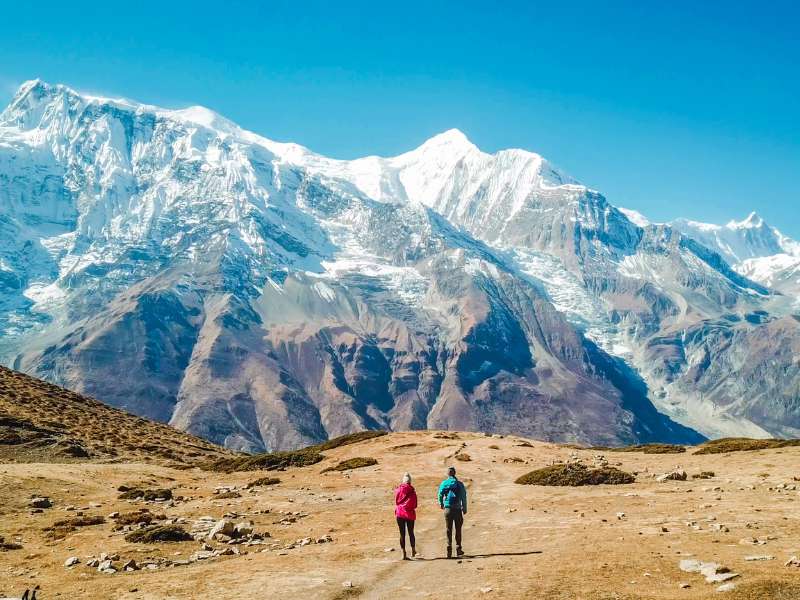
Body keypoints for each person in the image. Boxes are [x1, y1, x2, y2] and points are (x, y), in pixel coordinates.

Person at [437, 466, 467, 558]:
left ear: (448, 474)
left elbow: (440, 494)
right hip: (457, 509)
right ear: (455, 473)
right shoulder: (460, 484)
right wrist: (464, 508)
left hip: (448, 509)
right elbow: (463, 497)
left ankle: (449, 547)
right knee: (458, 529)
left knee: (448, 529)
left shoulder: (444, 483)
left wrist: (441, 503)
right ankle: (458, 548)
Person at [394, 472, 418, 560]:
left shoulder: (398, 490)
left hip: (400, 513)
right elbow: (415, 505)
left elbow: (396, 501)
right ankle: (413, 550)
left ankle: (403, 553)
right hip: (409, 514)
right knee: (411, 532)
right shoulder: (412, 492)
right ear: (410, 482)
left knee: (402, 533)